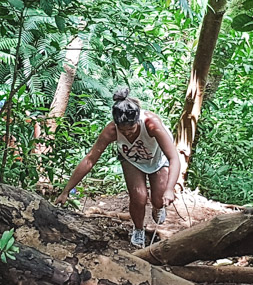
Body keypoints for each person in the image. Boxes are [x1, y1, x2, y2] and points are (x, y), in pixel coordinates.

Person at [56, 88, 179, 248]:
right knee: (139, 197)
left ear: (137, 121)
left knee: (158, 198)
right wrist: (66, 190)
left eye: (131, 129)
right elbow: (90, 159)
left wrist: (170, 189)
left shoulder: (151, 124)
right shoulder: (111, 131)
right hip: (131, 160)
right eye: (123, 130)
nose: (127, 134)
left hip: (157, 159)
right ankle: (139, 229)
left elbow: (174, 157)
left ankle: (157, 207)